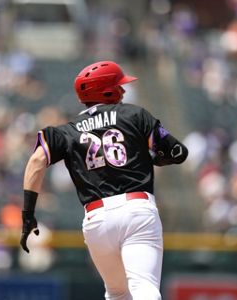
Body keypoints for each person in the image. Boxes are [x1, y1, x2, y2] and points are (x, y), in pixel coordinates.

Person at [20, 61, 188, 300]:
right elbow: (178, 152)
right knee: (143, 287)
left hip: (96, 219)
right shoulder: (135, 115)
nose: (123, 91)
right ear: (107, 91)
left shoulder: (66, 131)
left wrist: (28, 214)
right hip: (137, 209)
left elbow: (36, 161)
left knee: (117, 293)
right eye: (118, 86)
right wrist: (154, 157)